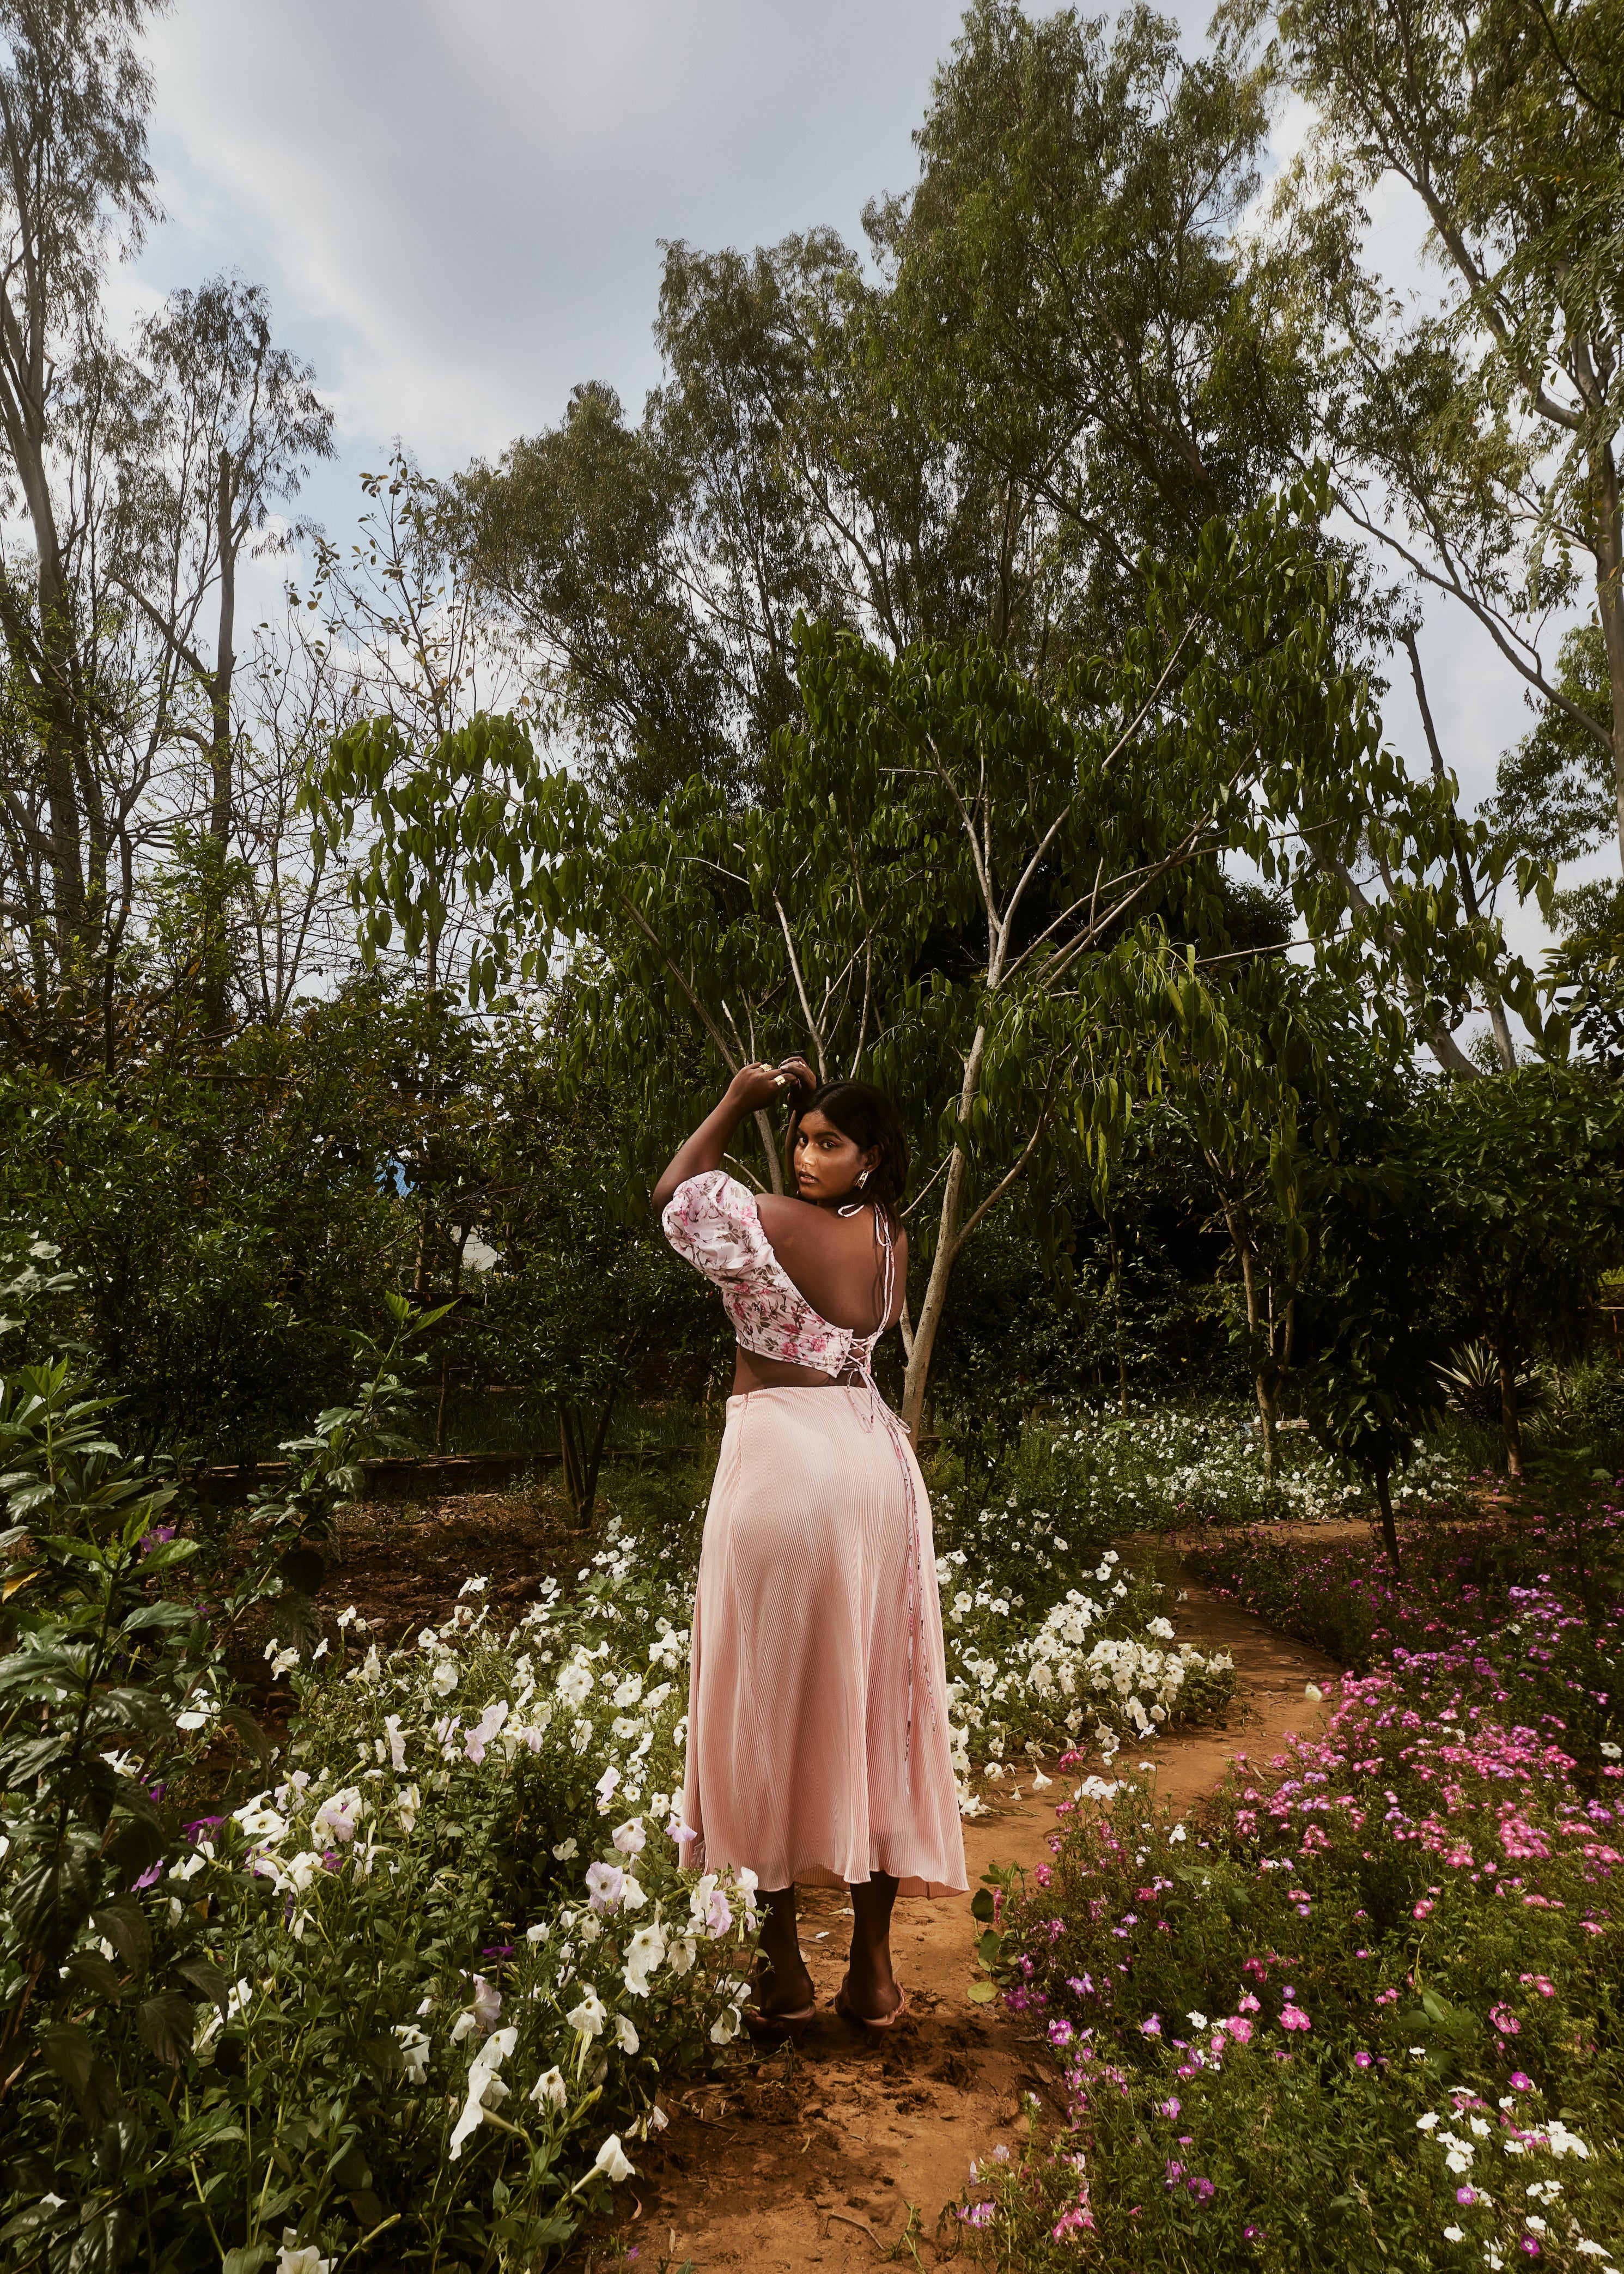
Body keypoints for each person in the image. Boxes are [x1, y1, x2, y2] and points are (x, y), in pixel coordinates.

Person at [652, 1057, 967, 2038]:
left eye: (829, 1141)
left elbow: (674, 1196)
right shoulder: (891, 1237)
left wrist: (738, 1100)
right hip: (875, 1466)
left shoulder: (772, 1223)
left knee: (761, 1704)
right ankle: (870, 1974)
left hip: (781, 1463)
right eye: (799, 1138)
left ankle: (782, 1968)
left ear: (871, 1157)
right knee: (879, 1702)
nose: (805, 1155)